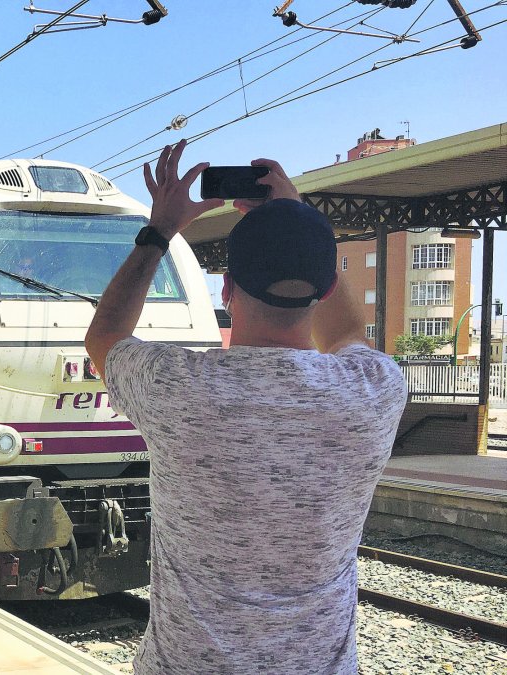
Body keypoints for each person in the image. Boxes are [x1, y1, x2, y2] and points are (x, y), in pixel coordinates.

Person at [84, 140, 408, 675]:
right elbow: (348, 330)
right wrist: (297, 218)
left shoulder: (179, 387)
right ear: (325, 287)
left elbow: (106, 335)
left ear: (227, 289)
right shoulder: (373, 389)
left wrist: (160, 230)